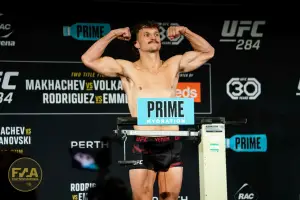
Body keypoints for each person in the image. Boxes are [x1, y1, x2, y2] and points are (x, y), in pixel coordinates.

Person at [81, 21, 215, 200]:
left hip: (171, 143)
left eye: (156, 34)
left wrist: (186, 31)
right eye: (147, 35)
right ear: (137, 44)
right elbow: (88, 59)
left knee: (170, 198)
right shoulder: (127, 68)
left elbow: (208, 52)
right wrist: (113, 34)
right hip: (144, 145)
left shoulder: (174, 64)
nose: (154, 37)